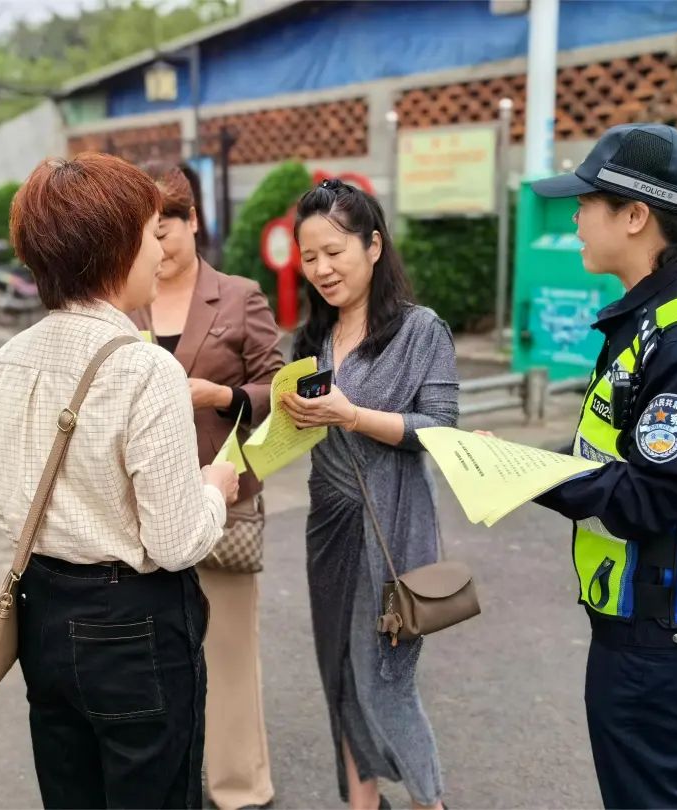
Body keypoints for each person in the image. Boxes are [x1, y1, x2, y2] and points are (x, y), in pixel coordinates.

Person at [0, 153, 239, 810]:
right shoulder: (144, 369)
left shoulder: (7, 361)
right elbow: (179, 540)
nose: (161, 253)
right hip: (134, 624)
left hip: (42, 611)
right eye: (152, 234)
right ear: (115, 246)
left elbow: (8, 507)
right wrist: (217, 488)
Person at [529, 124, 677, 809]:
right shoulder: (657, 319)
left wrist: (529, 474)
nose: (574, 215)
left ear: (635, 217)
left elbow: (650, 497)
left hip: (661, 634)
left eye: (587, 200)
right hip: (657, 623)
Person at [279, 179, 458, 810]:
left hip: (395, 532)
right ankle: (361, 803)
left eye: (336, 251)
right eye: (310, 257)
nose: (323, 269)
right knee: (340, 676)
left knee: (387, 683)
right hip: (329, 529)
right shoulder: (312, 340)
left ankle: (429, 802)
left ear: (374, 245)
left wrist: (352, 415)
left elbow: (441, 430)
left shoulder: (420, 330)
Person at [130, 162, 283, 810]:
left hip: (222, 502)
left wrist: (221, 393)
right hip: (138, 510)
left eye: (167, 231)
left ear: (193, 223)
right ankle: (172, 780)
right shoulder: (123, 301)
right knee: (149, 657)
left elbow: (283, 388)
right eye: (145, 234)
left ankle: (240, 788)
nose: (158, 248)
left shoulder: (239, 294)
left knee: (227, 650)